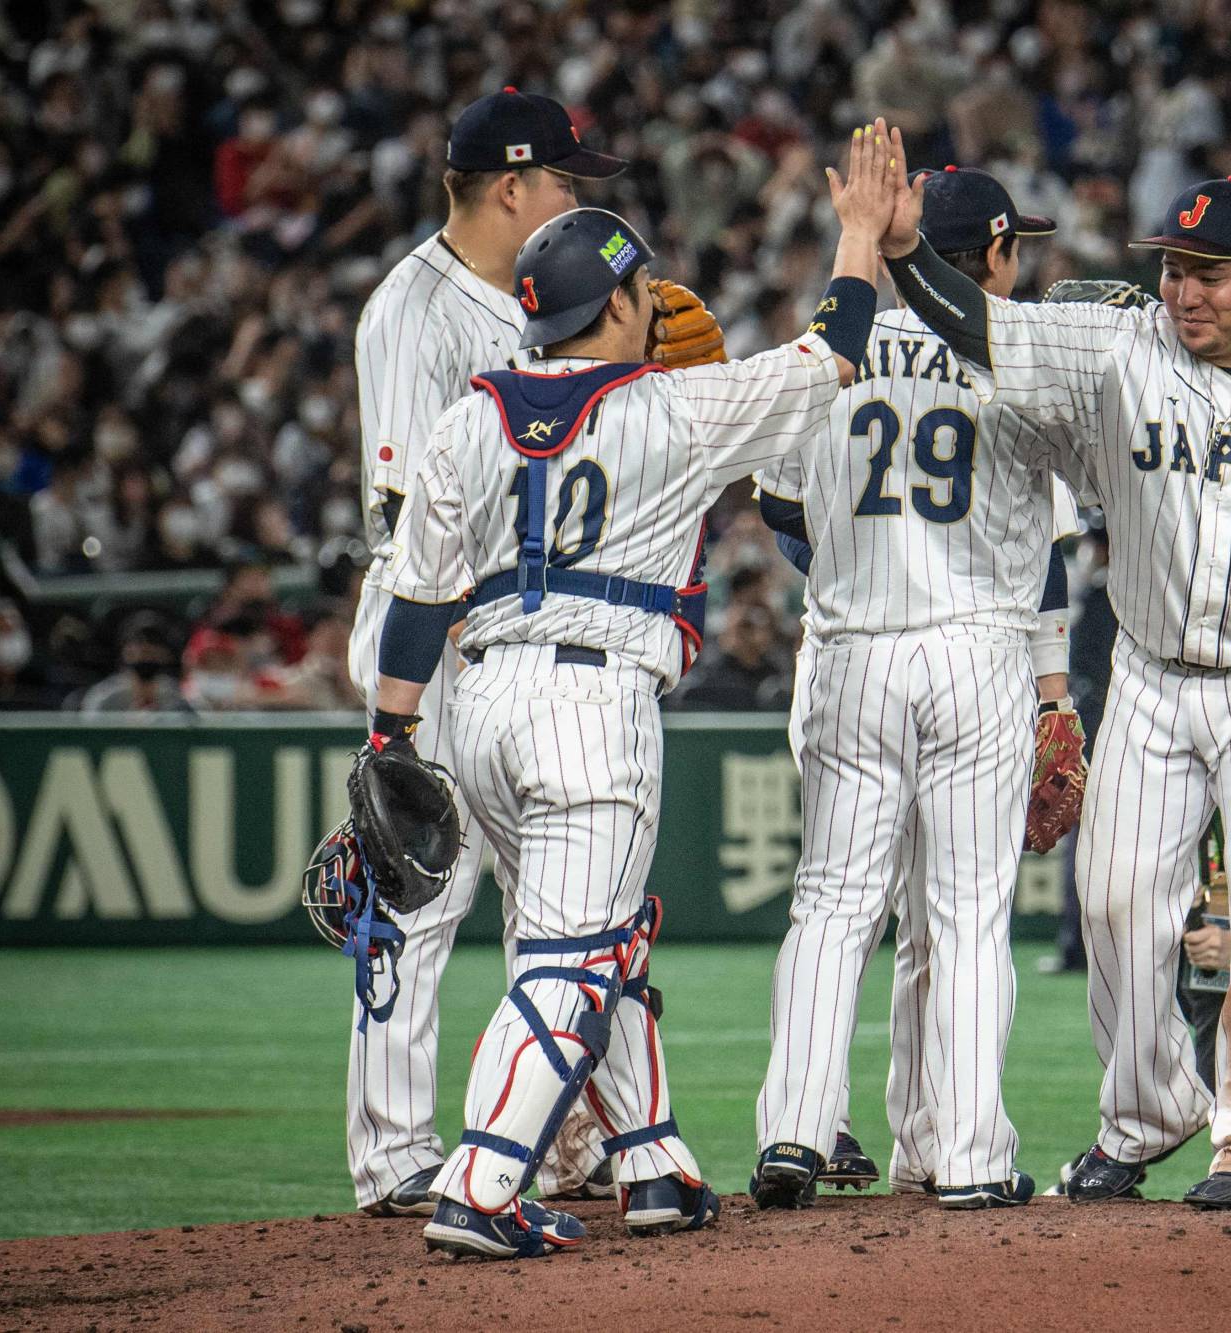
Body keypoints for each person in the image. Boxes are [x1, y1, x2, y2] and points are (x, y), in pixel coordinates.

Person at [871, 130, 1231, 1211]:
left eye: (1209, 274)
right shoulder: (1118, 347)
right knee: (1112, 897)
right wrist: (908, 257)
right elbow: (980, 326)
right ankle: (1145, 1112)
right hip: (1146, 667)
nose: (1181, 290)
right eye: (1171, 268)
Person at [362, 128, 895, 1259]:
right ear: (608, 304)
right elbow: (833, 348)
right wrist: (856, 237)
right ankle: (480, 1181)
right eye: (641, 287)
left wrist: (390, 731)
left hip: (479, 701)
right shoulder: (678, 411)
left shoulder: (465, 420)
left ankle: (652, 1162)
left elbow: (416, 599)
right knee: (572, 959)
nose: (656, 304)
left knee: (607, 942)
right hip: (593, 708)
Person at [748, 164, 1081, 1209]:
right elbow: (1056, 552)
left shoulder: (833, 343)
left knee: (833, 902)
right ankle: (969, 1155)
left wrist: (861, 557)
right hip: (977, 647)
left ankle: (793, 1133)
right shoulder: (1012, 357)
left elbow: (781, 507)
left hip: (851, 648)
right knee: (967, 912)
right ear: (987, 253)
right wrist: (1052, 690)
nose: (1015, 263)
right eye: (1009, 246)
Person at [343, 87, 627, 1218]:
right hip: (441, 627)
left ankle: (560, 1141)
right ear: (511, 186)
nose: (575, 197)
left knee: (557, 896)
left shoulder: (530, 299)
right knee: (420, 892)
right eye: (564, 180)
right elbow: (417, 518)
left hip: (519, 628)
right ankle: (394, 1153)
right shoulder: (415, 310)